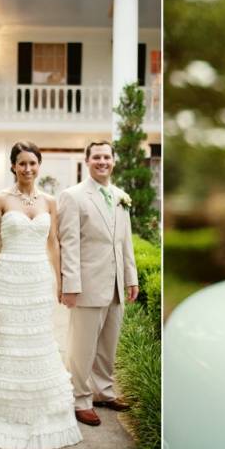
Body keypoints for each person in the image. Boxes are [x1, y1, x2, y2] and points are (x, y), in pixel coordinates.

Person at [0, 141, 82, 449]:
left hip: (37, 278)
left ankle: (40, 407)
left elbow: (54, 243)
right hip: (9, 279)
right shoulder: (0, 199)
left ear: (38, 166)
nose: (28, 168)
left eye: (33, 163)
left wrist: (59, 281)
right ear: (13, 166)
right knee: (8, 342)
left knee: (38, 340)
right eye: (22, 163)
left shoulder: (49, 202)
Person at [58, 141, 139, 427]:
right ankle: (80, 398)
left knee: (109, 343)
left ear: (113, 161)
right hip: (87, 285)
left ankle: (103, 392)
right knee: (82, 346)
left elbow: (124, 241)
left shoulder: (120, 196)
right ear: (87, 160)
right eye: (96, 157)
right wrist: (70, 284)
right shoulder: (73, 196)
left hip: (116, 283)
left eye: (106, 156)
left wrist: (131, 277)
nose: (102, 161)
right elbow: (68, 243)